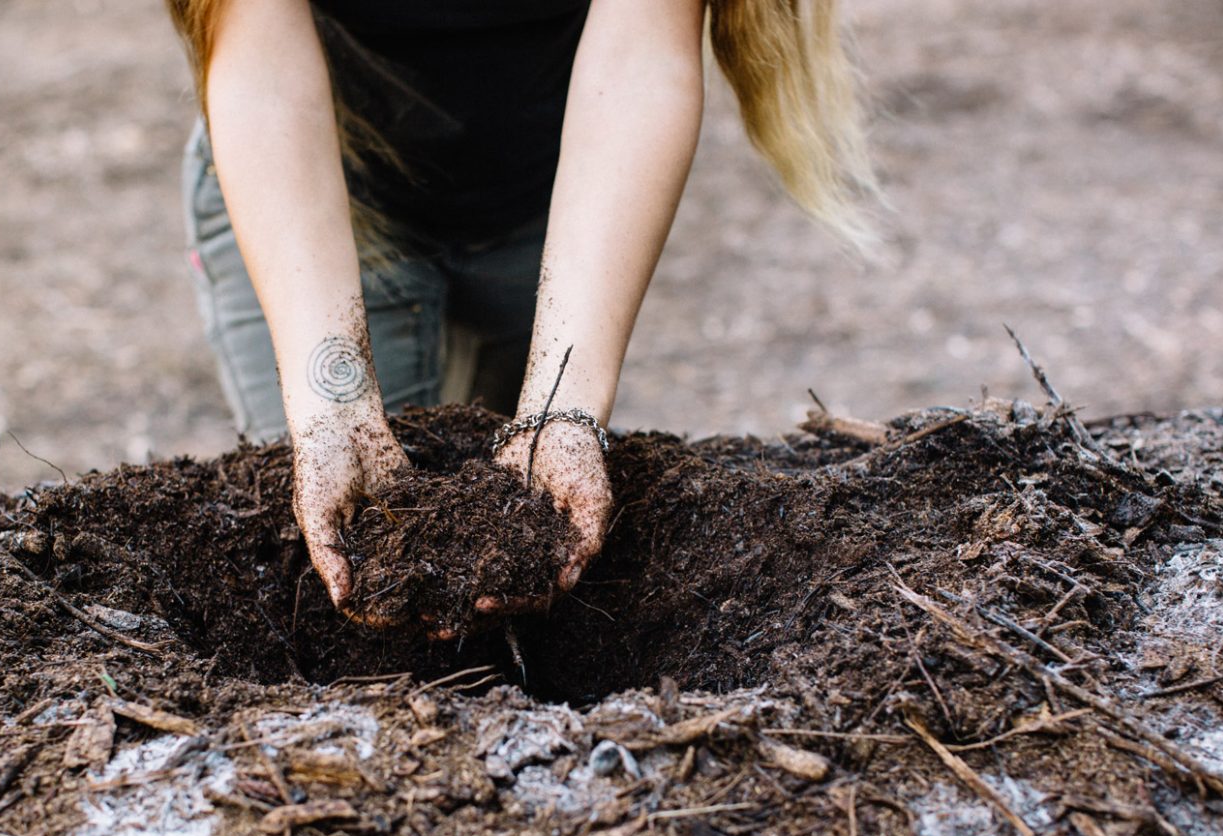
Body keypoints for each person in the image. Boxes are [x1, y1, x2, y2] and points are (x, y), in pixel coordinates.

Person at [166, 0, 873, 620]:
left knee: (538, 562)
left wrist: (563, 411)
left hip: (565, 196)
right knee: (338, 580)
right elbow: (259, 60)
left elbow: (640, 50)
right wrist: (331, 408)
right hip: (308, 191)